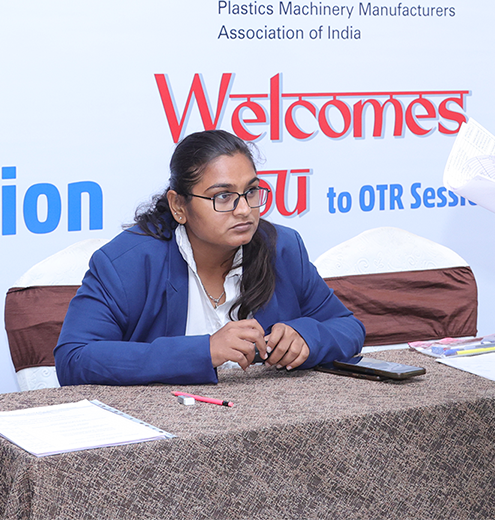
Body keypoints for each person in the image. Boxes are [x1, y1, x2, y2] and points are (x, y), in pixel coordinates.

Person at [54, 130, 364, 385]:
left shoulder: (281, 248)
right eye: (223, 196)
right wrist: (204, 350)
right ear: (179, 206)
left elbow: (347, 327)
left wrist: (307, 337)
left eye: (251, 192)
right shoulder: (127, 263)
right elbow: (74, 359)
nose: (244, 210)